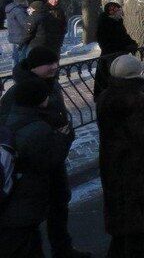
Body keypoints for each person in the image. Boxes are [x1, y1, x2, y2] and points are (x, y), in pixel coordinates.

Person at [0, 47, 86, 258]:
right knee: (29, 216)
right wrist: (42, 134)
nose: (55, 67)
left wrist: (62, 134)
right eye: (48, 63)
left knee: (59, 204)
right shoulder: (18, 92)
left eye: (56, 62)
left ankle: (62, 248)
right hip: (31, 165)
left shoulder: (51, 84)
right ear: (33, 67)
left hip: (52, 155)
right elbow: (8, 128)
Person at [97, 54, 144, 257]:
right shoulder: (135, 100)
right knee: (140, 227)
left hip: (113, 163)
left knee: (122, 222)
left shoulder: (106, 95)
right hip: (137, 168)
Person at [94, 2, 139, 98]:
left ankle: (120, 96)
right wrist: (124, 47)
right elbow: (106, 41)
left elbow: (124, 36)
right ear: (113, 12)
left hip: (119, 55)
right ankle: (110, 98)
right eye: (119, 10)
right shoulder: (105, 23)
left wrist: (132, 43)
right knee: (111, 78)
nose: (121, 11)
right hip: (110, 56)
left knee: (120, 77)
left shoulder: (118, 21)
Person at [5, 0, 29, 66]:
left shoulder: (12, 8)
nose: (28, 1)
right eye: (26, 0)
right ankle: (20, 72)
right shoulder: (19, 10)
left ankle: (16, 71)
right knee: (22, 56)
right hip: (21, 36)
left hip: (14, 36)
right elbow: (25, 23)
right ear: (22, 1)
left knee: (15, 56)